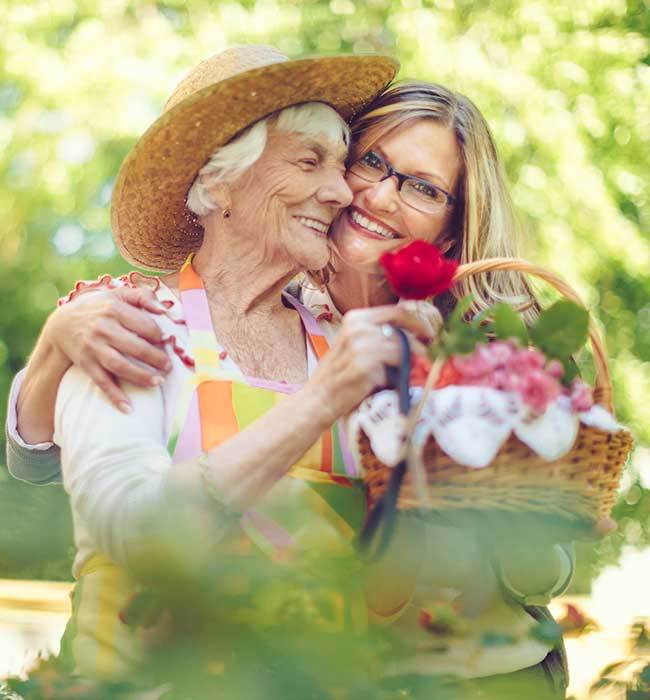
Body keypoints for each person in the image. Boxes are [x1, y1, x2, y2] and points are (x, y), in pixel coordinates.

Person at [6, 74, 573, 696]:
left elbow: (539, 564)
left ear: (450, 227)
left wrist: (513, 519)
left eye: (420, 187)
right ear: (222, 181)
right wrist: (57, 341)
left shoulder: (477, 340)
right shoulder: (153, 319)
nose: (365, 194)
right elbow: (56, 472)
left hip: (483, 673)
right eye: (367, 162)